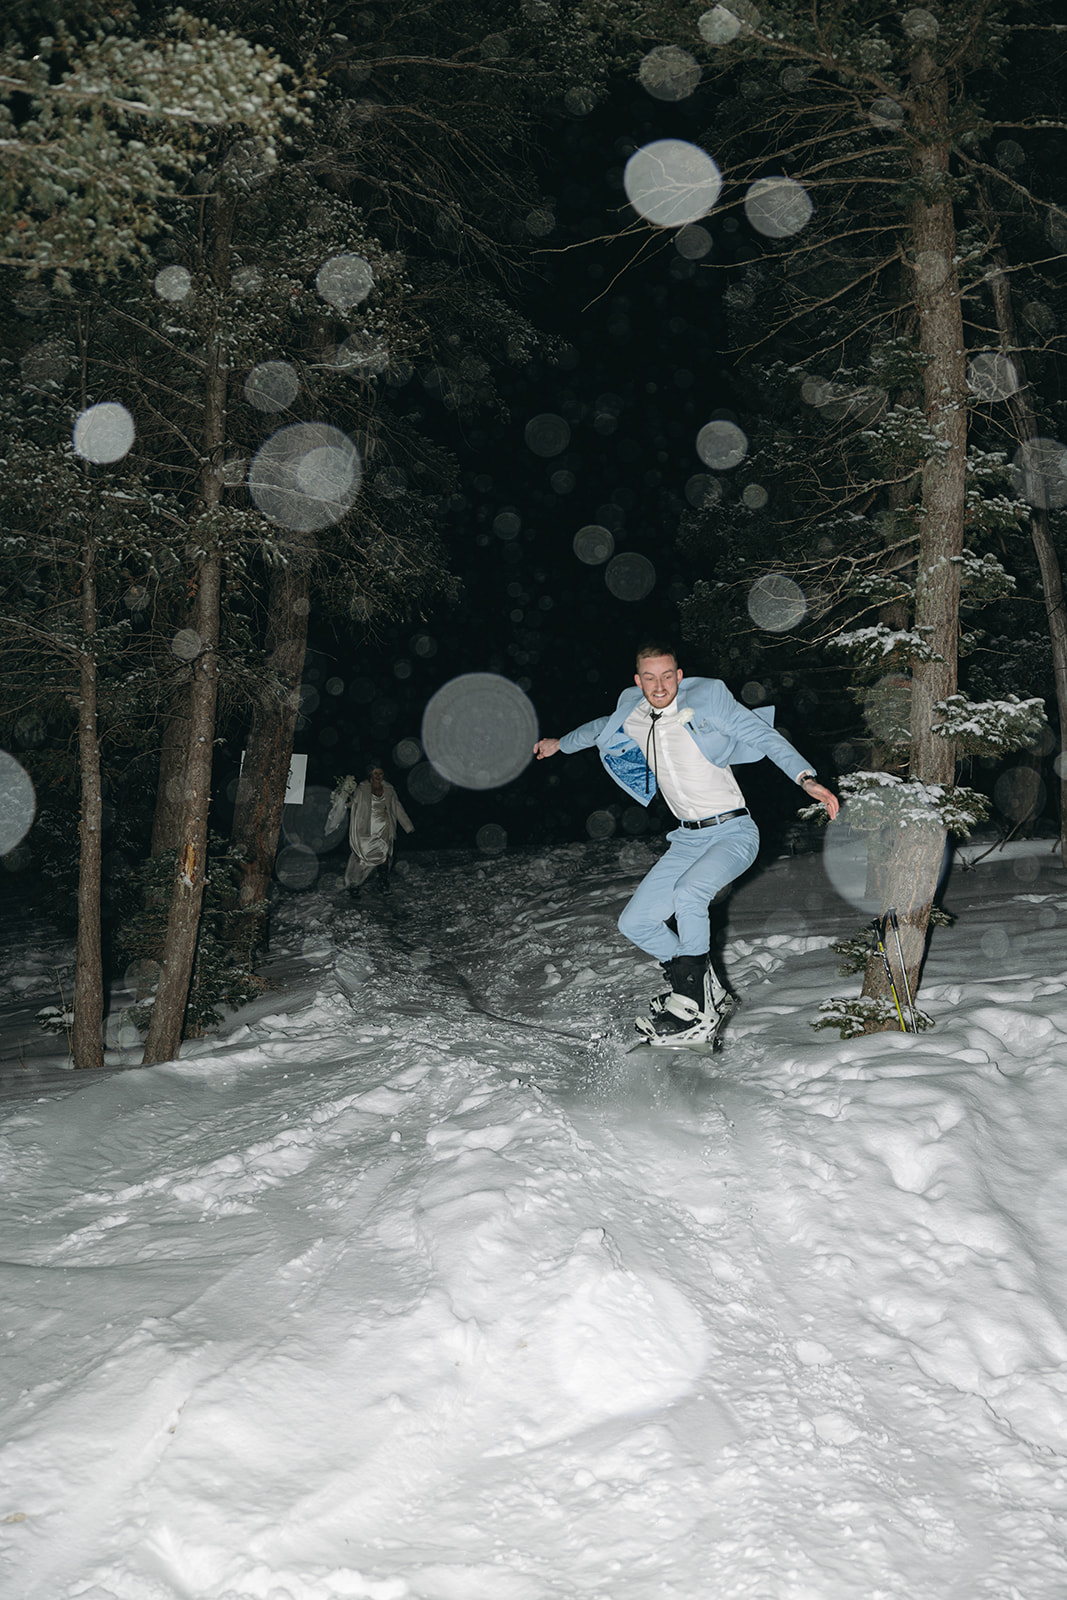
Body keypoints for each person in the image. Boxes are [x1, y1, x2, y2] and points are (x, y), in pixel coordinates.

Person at [533, 643, 839, 1043]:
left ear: (679, 676)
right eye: (649, 677)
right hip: (686, 840)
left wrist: (805, 779)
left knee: (689, 893)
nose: (659, 686)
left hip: (733, 831)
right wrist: (560, 743)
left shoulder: (709, 702)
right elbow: (598, 729)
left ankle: (692, 1005)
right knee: (635, 922)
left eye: (666, 676)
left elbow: (763, 736)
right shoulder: (634, 714)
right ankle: (702, 983)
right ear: (638, 680)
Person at [327, 762, 414, 896]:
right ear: (370, 775)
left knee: (384, 856)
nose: (378, 776)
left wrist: (407, 825)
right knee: (362, 859)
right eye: (375, 773)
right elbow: (353, 804)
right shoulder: (362, 788)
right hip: (367, 828)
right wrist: (341, 798)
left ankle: (383, 883)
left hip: (385, 827)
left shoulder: (389, 788)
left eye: (380, 773)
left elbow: (397, 807)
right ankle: (354, 884)